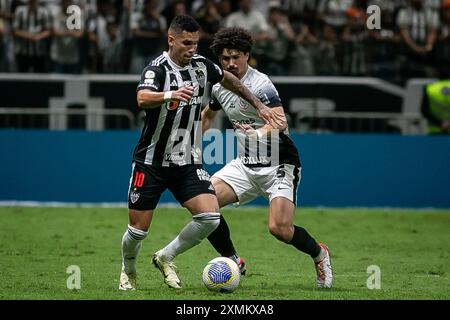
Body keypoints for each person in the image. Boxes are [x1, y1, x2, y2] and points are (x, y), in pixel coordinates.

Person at [119, 15, 283, 291]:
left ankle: (165, 257)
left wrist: (257, 103)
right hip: (151, 162)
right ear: (171, 40)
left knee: (209, 216)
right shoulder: (156, 69)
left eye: (196, 43)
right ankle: (128, 270)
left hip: (187, 162)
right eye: (186, 43)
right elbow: (142, 98)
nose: (192, 48)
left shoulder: (201, 67)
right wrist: (170, 95)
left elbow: (229, 79)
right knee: (137, 230)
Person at [202, 27, 333, 288]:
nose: (230, 63)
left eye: (236, 57)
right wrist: (190, 141)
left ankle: (319, 253)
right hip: (245, 165)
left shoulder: (261, 84)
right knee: (204, 206)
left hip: (279, 164)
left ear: (247, 56)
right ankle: (232, 259)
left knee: (280, 229)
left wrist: (258, 134)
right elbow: (208, 114)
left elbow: (280, 121)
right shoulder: (219, 84)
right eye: (225, 58)